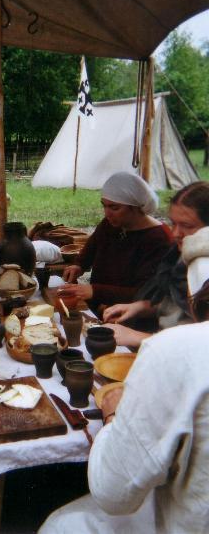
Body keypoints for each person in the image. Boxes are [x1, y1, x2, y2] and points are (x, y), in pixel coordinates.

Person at [39, 228, 209, 534]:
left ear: (194, 292)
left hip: (186, 523)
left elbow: (113, 492)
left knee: (60, 525)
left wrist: (114, 416)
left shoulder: (176, 348)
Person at [103, 181, 209, 346]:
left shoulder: (204, 270)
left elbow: (201, 343)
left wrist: (141, 338)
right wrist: (141, 307)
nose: (175, 234)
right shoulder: (181, 256)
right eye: (173, 223)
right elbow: (178, 306)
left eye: (187, 226)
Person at [59, 172, 172, 315]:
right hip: (99, 305)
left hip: (129, 316)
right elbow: (91, 249)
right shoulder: (111, 224)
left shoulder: (158, 239)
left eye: (114, 208)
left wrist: (94, 290)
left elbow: (144, 293)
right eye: (104, 206)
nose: (107, 213)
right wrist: (78, 265)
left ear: (136, 207)